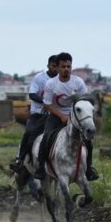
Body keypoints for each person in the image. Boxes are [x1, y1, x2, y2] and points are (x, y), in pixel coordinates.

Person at [42, 52, 99, 181]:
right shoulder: (51, 84)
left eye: (69, 66)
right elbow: (47, 104)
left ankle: (89, 169)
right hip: (56, 117)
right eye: (63, 66)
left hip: (75, 118)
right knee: (46, 139)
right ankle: (41, 167)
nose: (66, 69)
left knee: (88, 142)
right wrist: (62, 116)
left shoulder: (78, 82)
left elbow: (85, 100)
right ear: (57, 68)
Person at [11, 54, 59, 171]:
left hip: (56, 115)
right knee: (28, 133)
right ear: (48, 65)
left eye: (58, 66)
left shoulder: (62, 79)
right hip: (38, 114)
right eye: (53, 66)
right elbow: (32, 94)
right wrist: (45, 102)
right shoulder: (39, 78)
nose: (56, 69)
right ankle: (20, 160)